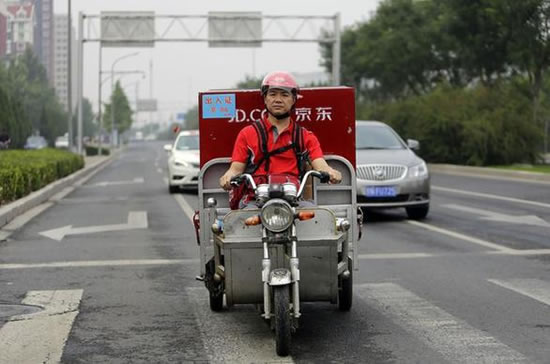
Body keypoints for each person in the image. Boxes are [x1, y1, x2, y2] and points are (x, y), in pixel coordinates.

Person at [219, 71, 342, 208]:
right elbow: (236, 168)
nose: (278, 99)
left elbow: (321, 165)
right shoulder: (247, 134)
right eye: (272, 94)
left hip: (293, 201)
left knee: (314, 218)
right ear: (265, 98)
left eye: (284, 94)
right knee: (241, 224)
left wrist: (330, 172)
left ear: (294, 99)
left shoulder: (305, 136)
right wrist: (228, 176)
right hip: (256, 200)